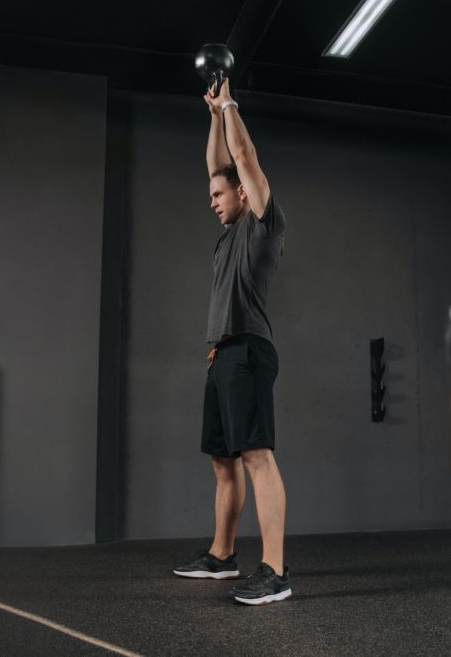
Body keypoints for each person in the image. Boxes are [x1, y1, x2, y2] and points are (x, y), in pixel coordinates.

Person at [173, 78, 290, 605]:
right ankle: (222, 556)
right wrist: (213, 118)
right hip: (222, 354)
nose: (212, 202)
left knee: (256, 457)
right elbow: (218, 162)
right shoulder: (227, 233)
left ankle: (275, 571)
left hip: (248, 351)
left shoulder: (262, 223)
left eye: (219, 195)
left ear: (244, 192)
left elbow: (240, 155)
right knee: (223, 461)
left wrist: (230, 107)